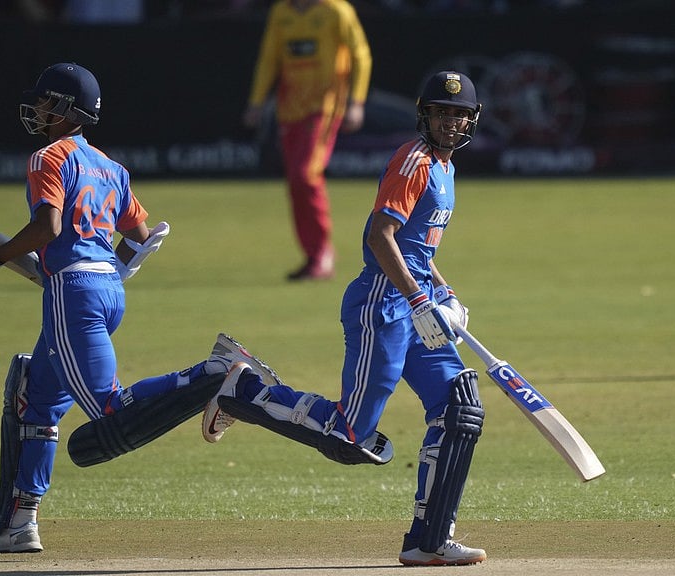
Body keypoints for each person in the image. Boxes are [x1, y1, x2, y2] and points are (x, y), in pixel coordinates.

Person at [0, 62, 255, 553]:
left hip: (72, 294)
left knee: (111, 411)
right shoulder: (110, 167)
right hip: (107, 288)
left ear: (65, 108)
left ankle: (215, 373)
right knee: (37, 401)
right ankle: (19, 524)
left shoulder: (47, 158)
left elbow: (49, 228)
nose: (36, 108)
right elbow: (140, 236)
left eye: (43, 100)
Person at [204, 71, 487, 566]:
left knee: (458, 407)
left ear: (472, 121)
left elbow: (418, 247)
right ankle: (242, 391)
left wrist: (444, 291)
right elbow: (382, 237)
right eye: (443, 112)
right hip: (383, 305)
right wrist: (422, 301)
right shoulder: (413, 163)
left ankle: (430, 538)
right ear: (426, 115)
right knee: (351, 435)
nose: (452, 122)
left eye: (460, 114)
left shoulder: (446, 168)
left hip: (413, 299)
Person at [242, 0, 372, 281]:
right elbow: (269, 58)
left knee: (305, 176)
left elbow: (360, 55)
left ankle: (321, 253)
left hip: (323, 106)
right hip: (290, 109)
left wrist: (356, 102)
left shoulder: (336, 10)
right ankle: (315, 252)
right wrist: (257, 101)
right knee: (296, 182)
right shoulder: (282, 12)